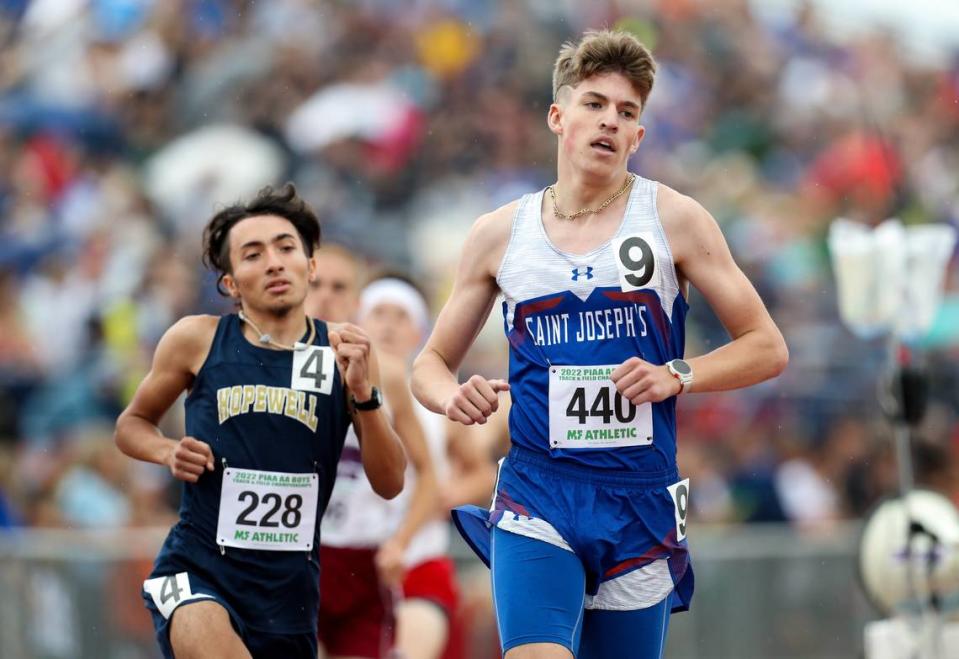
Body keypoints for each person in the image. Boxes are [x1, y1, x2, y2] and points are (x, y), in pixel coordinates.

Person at [411, 29, 789, 659]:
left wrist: (680, 372)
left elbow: (767, 347)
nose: (609, 120)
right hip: (538, 492)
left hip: (638, 500)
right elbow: (428, 364)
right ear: (559, 117)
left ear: (639, 136)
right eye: (594, 103)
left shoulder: (674, 220)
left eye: (627, 112)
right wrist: (453, 397)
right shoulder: (500, 233)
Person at [114, 184, 407, 659]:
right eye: (252, 255)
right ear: (230, 283)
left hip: (287, 597)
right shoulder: (197, 339)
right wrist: (169, 450)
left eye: (286, 248)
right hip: (194, 570)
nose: (273, 262)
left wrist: (363, 396)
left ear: (310, 267)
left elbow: (391, 482)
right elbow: (131, 425)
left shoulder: (344, 351)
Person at [306, 246, 439, 659]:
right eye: (315, 286)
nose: (326, 296)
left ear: (357, 302)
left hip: (363, 558)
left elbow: (429, 476)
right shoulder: (273, 365)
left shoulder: (389, 373)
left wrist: (400, 542)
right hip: (299, 554)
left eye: (339, 287)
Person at [360, 273, 499, 659]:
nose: (387, 325)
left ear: (419, 332)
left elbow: (483, 473)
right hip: (352, 556)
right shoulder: (337, 394)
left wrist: (443, 495)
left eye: (400, 316)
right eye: (378, 314)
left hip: (417, 557)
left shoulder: (438, 405)